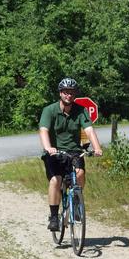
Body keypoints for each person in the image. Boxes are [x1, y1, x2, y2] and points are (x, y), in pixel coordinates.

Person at [39, 78, 103, 231]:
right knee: (56, 180)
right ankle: (54, 217)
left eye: (72, 93)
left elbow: (89, 130)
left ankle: (76, 204)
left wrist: (97, 147)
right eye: (66, 92)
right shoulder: (49, 110)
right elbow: (43, 130)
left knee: (80, 173)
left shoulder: (81, 111)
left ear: (75, 95)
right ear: (61, 93)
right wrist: (48, 147)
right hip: (54, 152)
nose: (68, 95)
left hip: (74, 151)